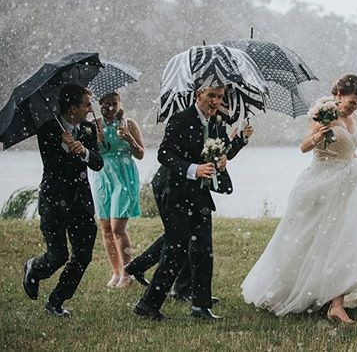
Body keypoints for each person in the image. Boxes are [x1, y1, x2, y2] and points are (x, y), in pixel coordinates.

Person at [241, 74, 357, 324]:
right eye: (352, 102)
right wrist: (318, 136)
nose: (354, 107)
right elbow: (304, 147)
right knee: (310, 242)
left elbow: (349, 149)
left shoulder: (353, 117)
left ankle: (336, 303)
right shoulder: (323, 111)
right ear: (339, 95)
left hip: (349, 181)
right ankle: (303, 292)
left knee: (347, 240)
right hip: (321, 183)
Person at [133, 84, 243, 321]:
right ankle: (148, 304)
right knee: (176, 248)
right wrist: (194, 169)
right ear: (198, 95)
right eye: (211, 96)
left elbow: (221, 152)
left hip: (200, 194)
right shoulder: (180, 119)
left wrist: (224, 157)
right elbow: (164, 154)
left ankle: (200, 307)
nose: (215, 101)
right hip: (173, 190)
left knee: (204, 248)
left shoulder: (216, 123)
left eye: (220, 97)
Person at [123, 121, 253, 295]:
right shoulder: (196, 121)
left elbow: (223, 154)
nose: (227, 108)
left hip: (190, 186)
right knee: (180, 236)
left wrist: (240, 139)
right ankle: (168, 288)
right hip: (170, 183)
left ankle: (151, 273)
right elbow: (192, 154)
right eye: (224, 102)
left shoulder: (218, 124)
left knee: (186, 235)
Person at [22, 84, 104, 317]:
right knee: (58, 256)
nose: (90, 109)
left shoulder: (88, 128)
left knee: (83, 255)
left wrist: (85, 152)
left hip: (81, 203)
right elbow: (52, 166)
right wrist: (65, 147)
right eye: (86, 105)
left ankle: (56, 301)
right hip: (54, 200)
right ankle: (33, 269)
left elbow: (98, 164)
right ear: (71, 107)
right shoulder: (48, 129)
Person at [91, 92, 145, 289]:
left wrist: (130, 140)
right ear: (100, 105)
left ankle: (127, 273)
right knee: (105, 229)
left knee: (118, 228)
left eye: (114, 104)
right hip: (101, 177)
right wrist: (93, 143)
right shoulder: (93, 125)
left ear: (120, 103)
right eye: (106, 104)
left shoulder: (128, 123)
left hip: (124, 176)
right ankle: (115, 271)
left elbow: (140, 154)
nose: (110, 108)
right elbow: (87, 156)